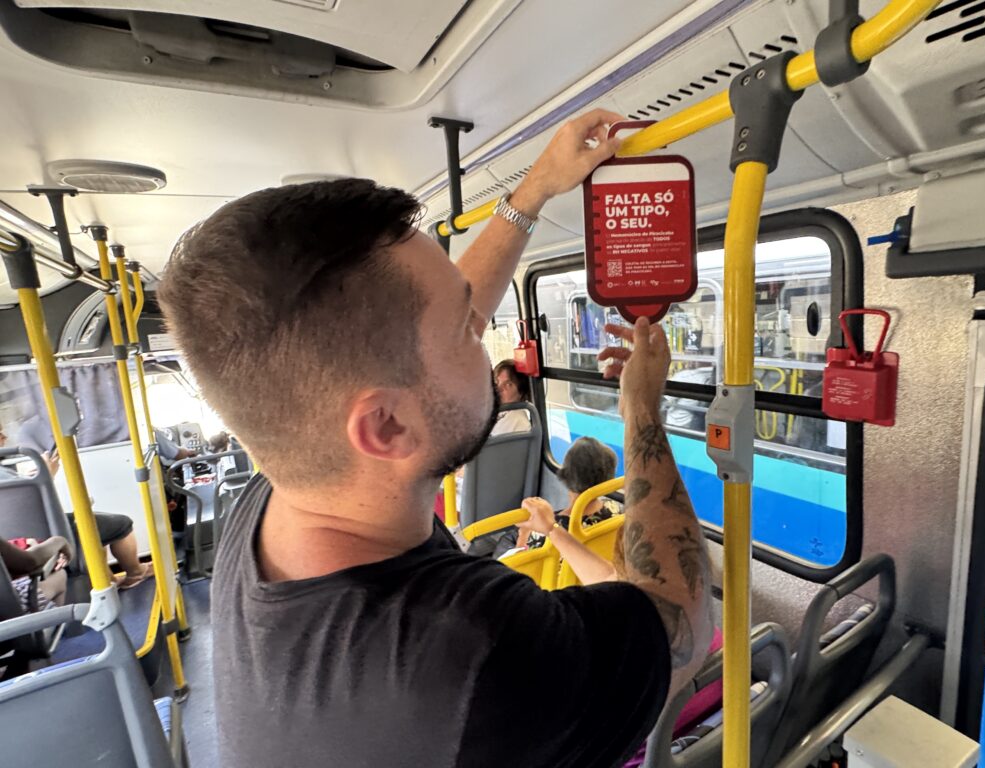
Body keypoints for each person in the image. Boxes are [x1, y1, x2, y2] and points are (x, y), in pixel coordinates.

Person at [158, 109, 713, 768]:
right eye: (464, 331)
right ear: (386, 426)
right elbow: (681, 614)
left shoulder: (277, 488)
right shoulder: (472, 653)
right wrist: (641, 411)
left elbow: (435, 318)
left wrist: (533, 191)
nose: (483, 336)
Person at [0, 421, 154, 590]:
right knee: (122, 524)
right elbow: (29, 506)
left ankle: (108, 580)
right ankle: (135, 572)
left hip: (11, 542)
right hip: (42, 536)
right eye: (0, 434)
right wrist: (47, 475)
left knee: (97, 525)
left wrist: (36, 477)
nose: (5, 438)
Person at [0, 534, 71, 613]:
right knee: (60, 575)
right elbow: (29, 563)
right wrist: (60, 541)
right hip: (10, 610)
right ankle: (51, 622)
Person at [491, 359, 533, 435]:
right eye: (497, 382)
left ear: (521, 393)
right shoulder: (498, 413)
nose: (499, 388)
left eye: (508, 384)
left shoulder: (519, 423)